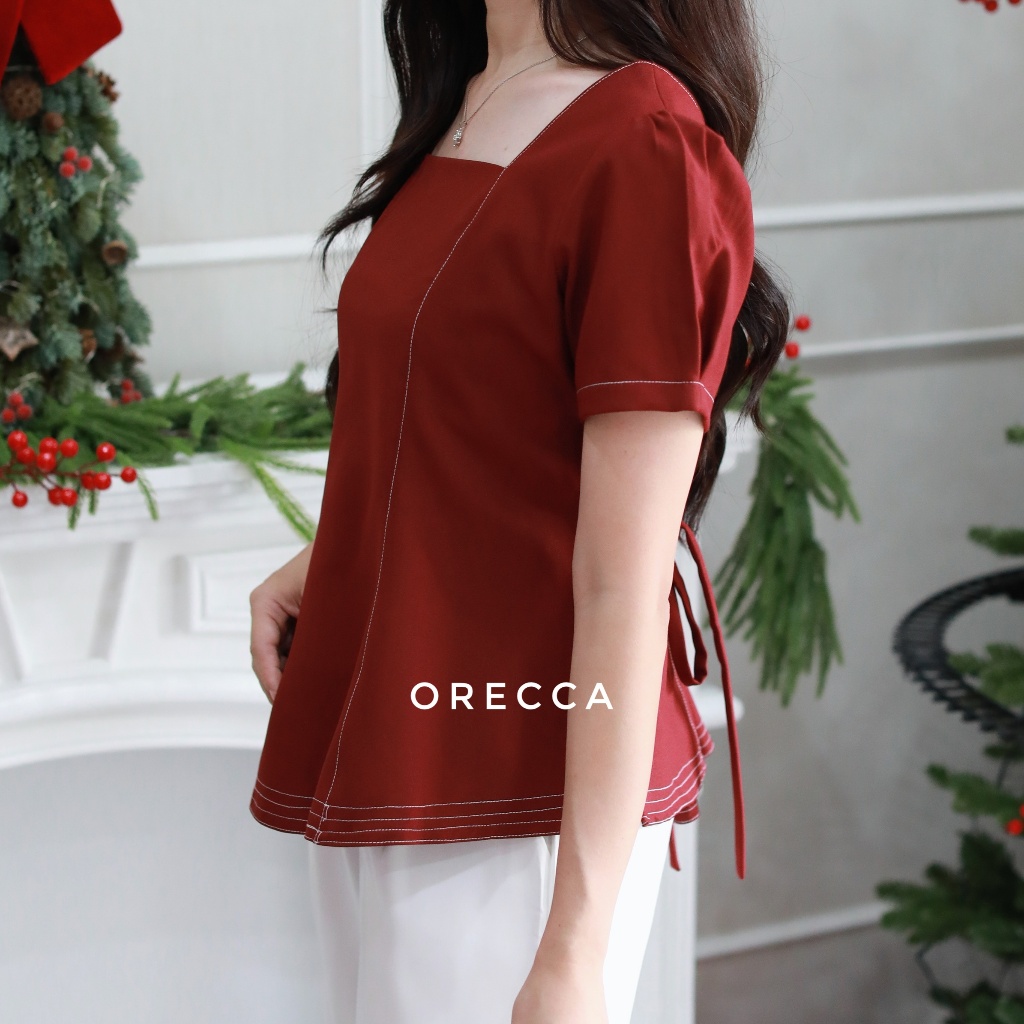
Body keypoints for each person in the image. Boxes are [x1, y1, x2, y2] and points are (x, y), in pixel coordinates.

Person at [247, 1, 789, 1021]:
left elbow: (622, 581)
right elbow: (469, 406)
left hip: (518, 779)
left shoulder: (641, 143)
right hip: (397, 741)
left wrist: (576, 948)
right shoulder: (466, 99)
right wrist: (341, 555)